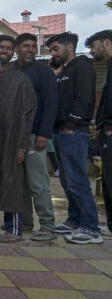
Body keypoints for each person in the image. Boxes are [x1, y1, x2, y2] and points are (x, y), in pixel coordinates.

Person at [49, 32, 101, 244]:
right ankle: (74, 219)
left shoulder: (82, 68)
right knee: (67, 180)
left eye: (55, 49)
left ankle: (90, 227)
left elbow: (84, 99)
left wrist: (71, 125)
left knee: (78, 180)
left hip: (74, 132)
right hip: (60, 131)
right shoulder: (65, 70)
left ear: (69, 46)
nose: (53, 53)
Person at [0, 35, 37, 243]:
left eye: (8, 48)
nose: (4, 51)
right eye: (0, 47)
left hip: (12, 140)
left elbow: (29, 114)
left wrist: (22, 146)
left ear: (13, 51)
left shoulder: (21, 79)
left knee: (12, 181)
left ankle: (13, 228)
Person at [14, 32, 59, 241]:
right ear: (17, 49)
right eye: (26, 46)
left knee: (38, 182)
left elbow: (51, 104)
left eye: (33, 46)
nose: (30, 49)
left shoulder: (44, 72)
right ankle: (25, 222)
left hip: (35, 136)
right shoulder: (11, 71)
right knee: (19, 182)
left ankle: (48, 225)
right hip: (14, 136)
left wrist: (44, 134)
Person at [90, 30, 112, 238]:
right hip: (105, 130)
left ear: (106, 42)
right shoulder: (108, 66)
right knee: (107, 177)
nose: (92, 50)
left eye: (94, 46)